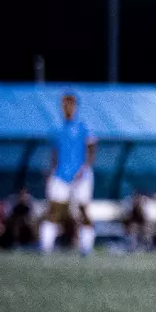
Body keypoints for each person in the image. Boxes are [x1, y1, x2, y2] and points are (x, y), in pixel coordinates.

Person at [42, 93, 97, 255]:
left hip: (81, 176)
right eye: (64, 105)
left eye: (70, 104)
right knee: (53, 209)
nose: (67, 108)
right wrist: (52, 171)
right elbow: (55, 153)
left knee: (83, 210)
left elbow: (92, 149)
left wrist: (85, 168)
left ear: (75, 107)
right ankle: (46, 247)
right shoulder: (58, 129)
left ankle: (86, 247)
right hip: (60, 175)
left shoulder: (83, 127)